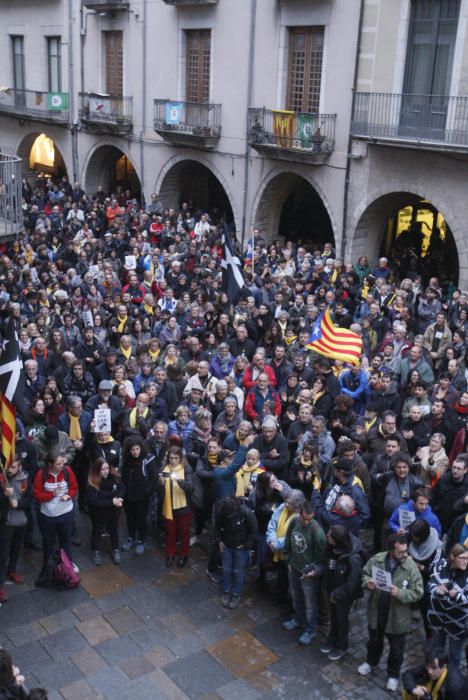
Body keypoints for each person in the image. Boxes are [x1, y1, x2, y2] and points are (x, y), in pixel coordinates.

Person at [358, 533, 424, 693]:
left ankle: (393, 675)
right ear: (391, 550)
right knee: (374, 642)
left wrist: (400, 593)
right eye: (401, 552)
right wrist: (369, 583)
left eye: (406, 551)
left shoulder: (410, 566)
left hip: (397, 618)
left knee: (396, 649)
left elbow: (418, 591)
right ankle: (371, 662)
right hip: (377, 612)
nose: (405, 554)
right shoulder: (378, 560)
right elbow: (365, 574)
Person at [282, 501, 326, 646]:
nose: (306, 522)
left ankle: (310, 629)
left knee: (310, 603)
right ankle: (298, 619)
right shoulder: (295, 521)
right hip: (294, 567)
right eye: (304, 518)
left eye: (309, 519)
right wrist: (288, 560)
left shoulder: (317, 532)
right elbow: (288, 540)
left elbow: (321, 559)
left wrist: (313, 572)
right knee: (295, 595)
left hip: (308, 574)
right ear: (300, 513)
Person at [320, 525, 367, 661]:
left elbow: (352, 583)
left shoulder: (353, 559)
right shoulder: (332, 549)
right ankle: (332, 638)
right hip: (332, 589)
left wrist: (336, 594)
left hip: (343, 595)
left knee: (341, 619)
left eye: (329, 536)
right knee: (333, 617)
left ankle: (341, 645)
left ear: (337, 540)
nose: (327, 537)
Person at [33, 453, 79, 571]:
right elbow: (37, 495)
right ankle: (48, 566)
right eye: (58, 464)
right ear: (50, 465)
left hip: (66, 513)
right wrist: (52, 494)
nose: (62, 466)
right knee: (48, 542)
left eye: (62, 462)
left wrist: (68, 495)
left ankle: (68, 563)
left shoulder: (67, 471)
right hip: (47, 516)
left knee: (66, 540)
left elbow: (74, 487)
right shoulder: (41, 475)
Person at [427, 544, 468, 667]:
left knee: (455, 654)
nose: (466, 561)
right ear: (452, 557)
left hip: (457, 623)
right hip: (437, 618)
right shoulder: (441, 565)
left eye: (467, 558)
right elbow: (430, 584)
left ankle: (452, 677)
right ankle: (436, 673)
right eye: (462, 558)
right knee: (437, 650)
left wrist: (457, 596)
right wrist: (437, 590)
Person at [214, 495, 258, 609]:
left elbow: (254, 531)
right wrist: (219, 541)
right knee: (227, 569)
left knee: (238, 571)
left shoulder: (246, 513)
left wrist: (246, 545)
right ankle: (227, 590)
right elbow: (216, 527)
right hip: (226, 545)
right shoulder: (221, 511)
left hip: (241, 548)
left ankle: (236, 594)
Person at [0, 457, 32, 603]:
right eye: (9, 467)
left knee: (16, 548)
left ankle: (12, 570)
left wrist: (18, 504)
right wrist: (4, 496)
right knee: (3, 554)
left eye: (13, 467)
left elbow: (29, 501)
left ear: (19, 468)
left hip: (21, 521)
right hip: (5, 523)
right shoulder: (2, 480)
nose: (10, 470)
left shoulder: (25, 480)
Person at [120, 436, 157, 555]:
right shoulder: (126, 460)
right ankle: (131, 538)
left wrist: (147, 491)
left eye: (137, 449)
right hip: (129, 496)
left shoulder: (147, 459)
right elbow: (123, 477)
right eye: (132, 450)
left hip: (142, 496)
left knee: (141, 519)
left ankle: (141, 540)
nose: (135, 452)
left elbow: (154, 477)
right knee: (130, 518)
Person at [159, 445, 194, 568]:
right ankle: (170, 554)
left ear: (181, 458)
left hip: (184, 508)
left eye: (176, 458)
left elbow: (191, 488)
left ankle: (184, 555)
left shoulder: (186, 469)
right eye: (171, 458)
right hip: (168, 506)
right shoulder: (164, 468)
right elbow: (158, 491)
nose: (173, 461)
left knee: (184, 533)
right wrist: (160, 484)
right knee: (170, 533)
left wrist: (180, 481)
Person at [86, 458, 125, 566]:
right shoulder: (92, 482)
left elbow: (122, 488)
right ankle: (95, 551)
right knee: (97, 531)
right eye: (103, 469)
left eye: (107, 468)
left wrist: (120, 498)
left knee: (113, 530)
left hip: (113, 511)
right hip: (98, 512)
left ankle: (115, 549)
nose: (106, 471)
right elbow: (94, 501)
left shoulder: (115, 477)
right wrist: (112, 500)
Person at [402, 647, 468, 700]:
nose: (429, 671)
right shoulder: (431, 664)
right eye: (428, 666)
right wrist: (413, 689)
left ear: (444, 667)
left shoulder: (455, 687)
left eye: (434, 668)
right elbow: (408, 674)